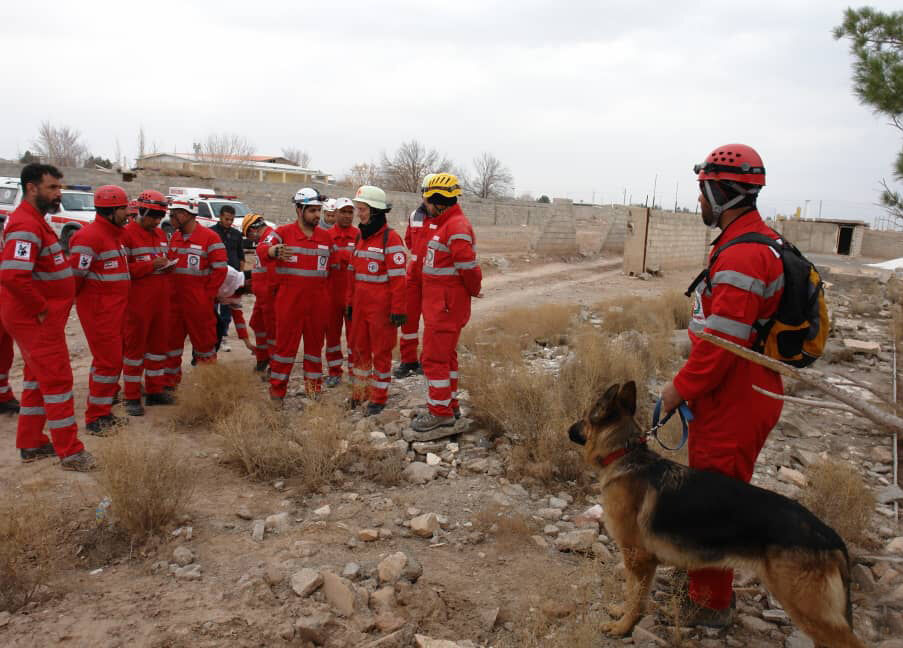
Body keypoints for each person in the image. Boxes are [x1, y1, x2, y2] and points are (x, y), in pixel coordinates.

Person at [660, 144, 783, 628]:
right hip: (736, 391)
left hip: (736, 394)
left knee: (714, 501)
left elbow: (721, 347)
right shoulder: (745, 242)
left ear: (720, 191)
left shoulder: (746, 254)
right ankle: (702, 578)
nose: (698, 203)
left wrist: (677, 390)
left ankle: (709, 604)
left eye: (701, 192)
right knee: (712, 494)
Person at [0, 163, 94, 470]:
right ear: (32, 188)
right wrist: (41, 307)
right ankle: (71, 452)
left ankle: (31, 442)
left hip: (41, 318)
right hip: (35, 319)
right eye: (52, 188)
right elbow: (14, 275)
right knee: (57, 380)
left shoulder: (36, 222)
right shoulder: (25, 225)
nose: (58, 194)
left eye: (59, 188)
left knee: (37, 380)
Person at [412, 173, 481, 432]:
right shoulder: (446, 224)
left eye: (427, 199)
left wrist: (474, 289)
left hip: (445, 308)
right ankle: (448, 405)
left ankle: (440, 413)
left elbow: (469, 267)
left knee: (433, 359)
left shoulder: (455, 227)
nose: (425, 204)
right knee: (446, 358)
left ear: (437, 200)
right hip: (442, 307)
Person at [257, 187, 333, 405]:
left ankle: (314, 392)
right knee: (284, 351)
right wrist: (272, 252)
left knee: (314, 351)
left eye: (318, 210)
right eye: (312, 210)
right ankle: (277, 394)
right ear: (299, 210)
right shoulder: (282, 233)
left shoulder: (325, 238)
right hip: (289, 304)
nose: (317, 215)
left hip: (317, 305)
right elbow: (263, 247)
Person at [69, 185, 131, 434]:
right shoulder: (89, 237)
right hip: (99, 312)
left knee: (111, 362)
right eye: (124, 208)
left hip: (114, 311)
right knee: (108, 362)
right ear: (110, 210)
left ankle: (103, 410)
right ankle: (95, 418)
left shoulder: (114, 235)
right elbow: (74, 278)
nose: (128, 213)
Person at [346, 185, 407, 416]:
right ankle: (359, 392)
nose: (358, 214)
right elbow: (352, 274)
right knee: (359, 350)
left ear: (375, 211)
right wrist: (350, 303)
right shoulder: (360, 237)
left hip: (382, 310)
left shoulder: (390, 239)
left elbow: (399, 278)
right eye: (357, 208)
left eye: (361, 209)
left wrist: (399, 308)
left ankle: (379, 398)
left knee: (380, 353)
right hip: (361, 307)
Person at [164, 196, 228, 384]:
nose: (170, 218)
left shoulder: (210, 238)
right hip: (175, 304)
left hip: (198, 305)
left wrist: (205, 297)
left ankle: (206, 388)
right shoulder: (175, 237)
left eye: (173, 215)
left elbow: (220, 270)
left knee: (205, 348)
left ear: (184, 215)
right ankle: (170, 385)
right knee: (171, 347)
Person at [121, 190, 174, 416]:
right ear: (140, 210)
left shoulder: (161, 234)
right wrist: (150, 266)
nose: (156, 221)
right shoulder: (126, 235)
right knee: (135, 351)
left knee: (158, 350)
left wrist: (166, 265)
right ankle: (132, 397)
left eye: (160, 216)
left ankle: (155, 391)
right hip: (136, 304)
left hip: (160, 302)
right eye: (152, 215)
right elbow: (122, 270)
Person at [395, 174, 435, 378]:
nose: (428, 197)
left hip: (432, 277)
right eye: (426, 193)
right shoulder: (414, 216)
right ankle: (408, 360)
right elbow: (408, 240)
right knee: (408, 320)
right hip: (413, 276)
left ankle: (425, 361)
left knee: (431, 321)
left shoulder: (443, 217)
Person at [324, 197, 359, 387]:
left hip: (353, 296)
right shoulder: (326, 236)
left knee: (355, 336)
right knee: (332, 336)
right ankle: (334, 371)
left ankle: (355, 371)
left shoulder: (360, 236)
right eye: (343, 212)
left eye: (350, 212)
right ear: (335, 214)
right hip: (331, 296)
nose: (347, 216)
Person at [242, 212, 277, 372]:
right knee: (257, 325)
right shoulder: (264, 241)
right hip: (261, 296)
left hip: (270, 295)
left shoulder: (271, 238)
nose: (250, 239)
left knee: (272, 332)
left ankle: (275, 365)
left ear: (253, 229)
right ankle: (263, 358)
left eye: (248, 235)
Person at [210, 205, 244, 352]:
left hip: (232, 279)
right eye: (226, 219)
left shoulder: (236, 235)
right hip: (215, 278)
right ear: (220, 217)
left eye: (231, 219)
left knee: (227, 310)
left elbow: (241, 256)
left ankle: (223, 337)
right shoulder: (211, 233)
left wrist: (239, 277)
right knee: (212, 310)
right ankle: (212, 338)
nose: (229, 222)